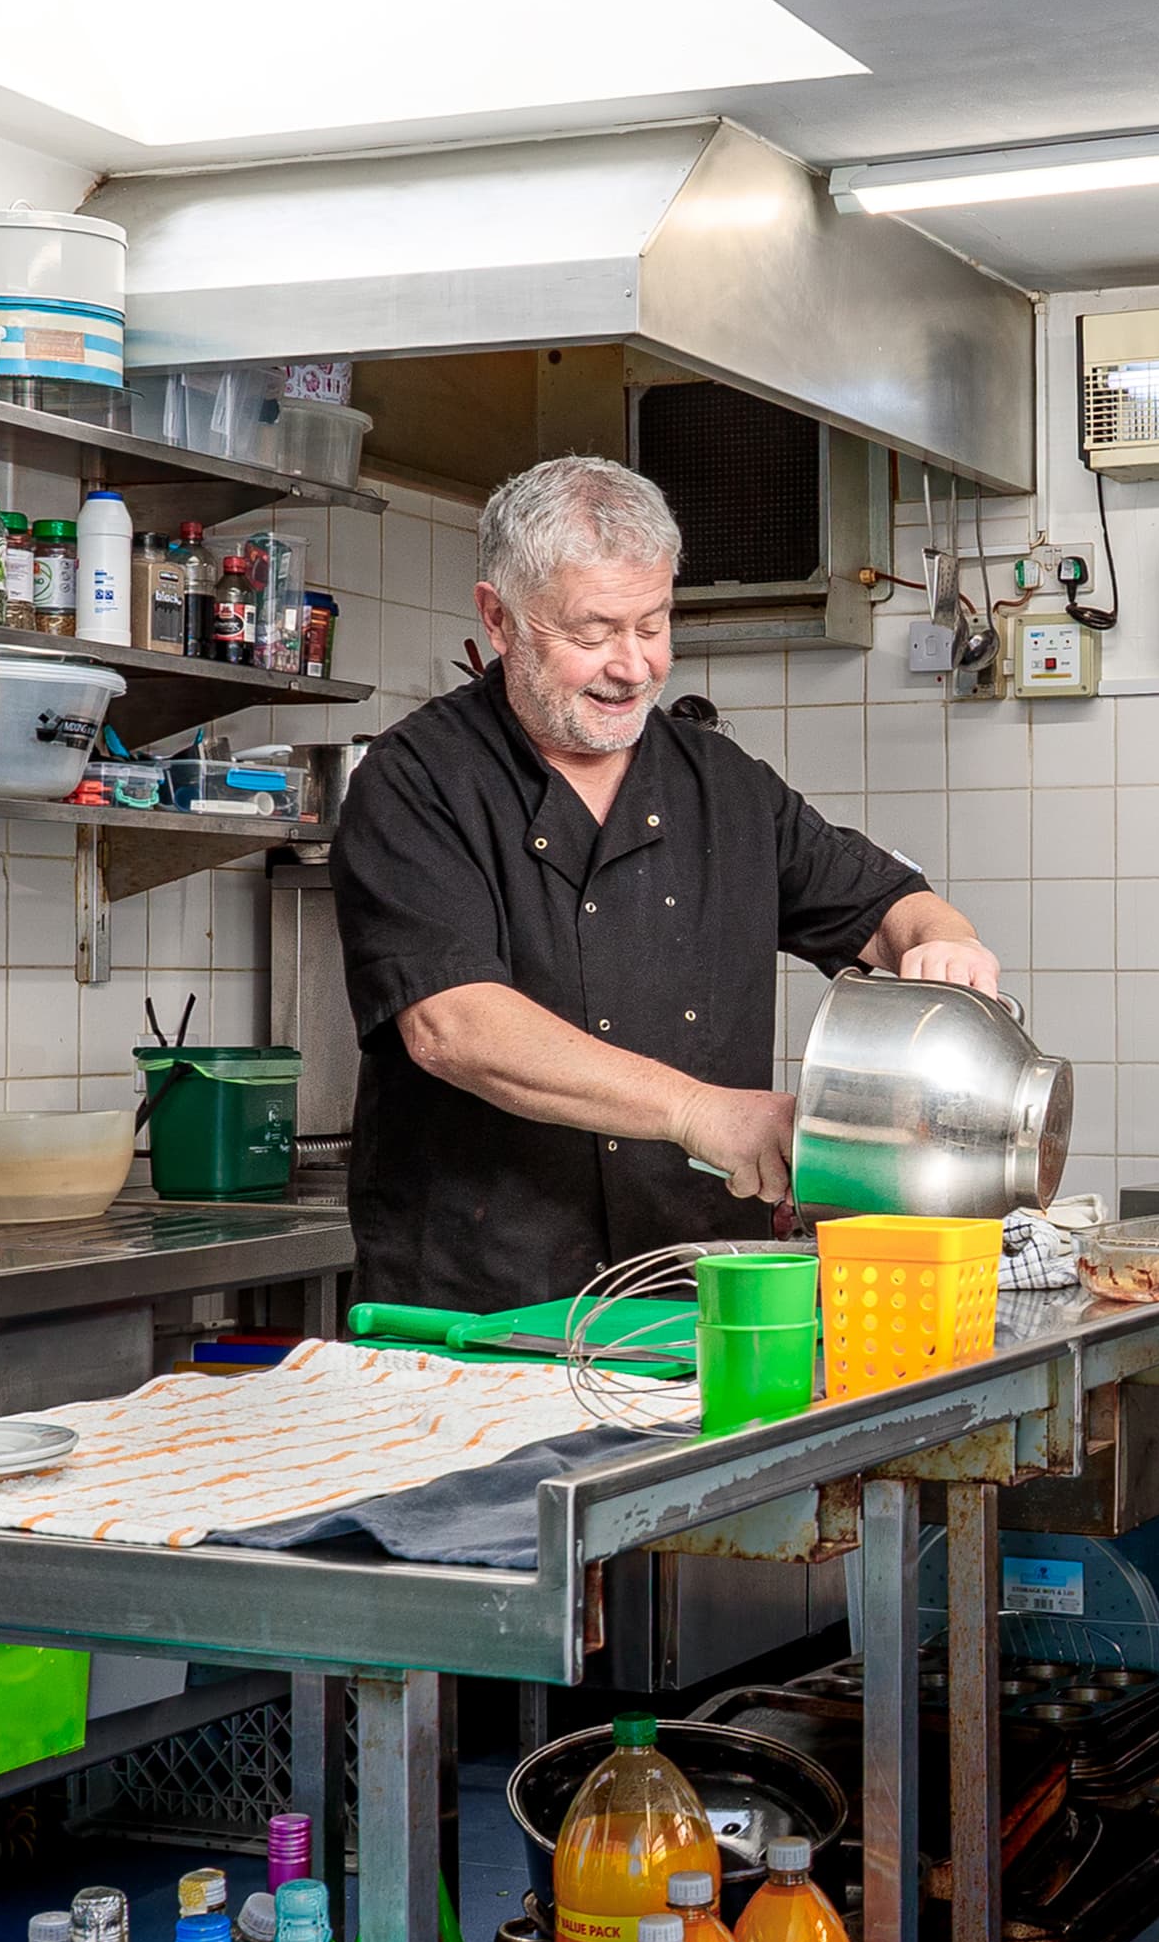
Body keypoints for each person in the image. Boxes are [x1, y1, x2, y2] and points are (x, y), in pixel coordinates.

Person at [332, 454, 1000, 1310]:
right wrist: (699, 1113)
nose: (635, 665)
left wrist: (943, 939)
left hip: (696, 1301)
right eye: (593, 631)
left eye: (653, 624)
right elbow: (454, 1025)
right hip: (485, 1309)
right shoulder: (417, 779)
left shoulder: (720, 782)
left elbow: (882, 904)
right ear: (499, 620)